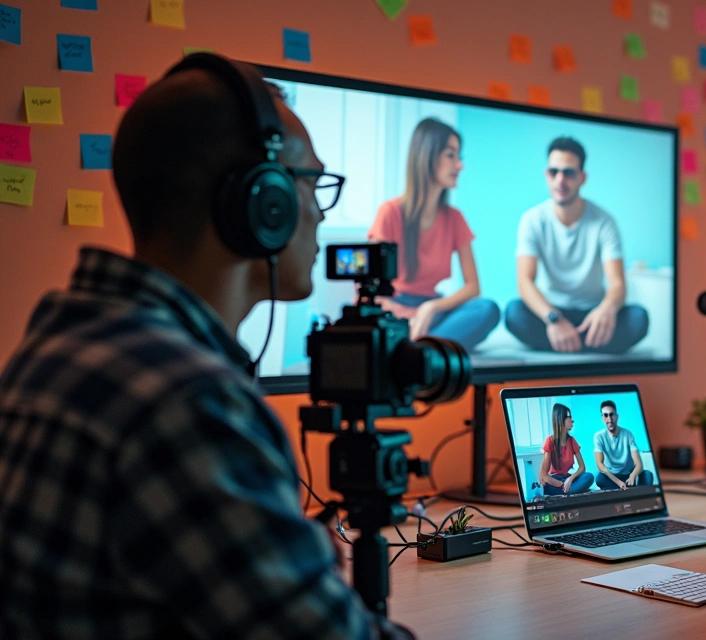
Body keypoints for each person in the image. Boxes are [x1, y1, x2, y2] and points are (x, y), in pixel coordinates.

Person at [0, 54, 411, 638]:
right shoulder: (188, 402)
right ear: (261, 201)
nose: (320, 211)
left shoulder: (60, 345)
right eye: (311, 182)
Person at [504, 137, 649, 354]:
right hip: (552, 312)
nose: (560, 180)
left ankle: (573, 341)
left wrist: (606, 309)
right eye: (554, 172)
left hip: (593, 314)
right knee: (513, 313)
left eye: (569, 173)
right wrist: (553, 319)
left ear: (582, 177)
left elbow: (617, 282)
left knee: (638, 319)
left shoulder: (604, 222)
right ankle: (576, 341)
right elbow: (525, 281)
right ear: (546, 175)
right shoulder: (532, 219)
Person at [368, 117, 500, 351]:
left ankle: (415, 349)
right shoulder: (390, 213)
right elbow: (370, 290)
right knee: (376, 322)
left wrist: (430, 309)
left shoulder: (454, 218)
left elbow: (473, 287)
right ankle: (429, 347)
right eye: (451, 155)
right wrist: (407, 315)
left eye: (459, 157)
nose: (459, 165)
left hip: (433, 309)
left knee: (486, 309)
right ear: (426, 156)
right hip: (395, 308)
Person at [592, 399, 654, 490]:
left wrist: (632, 476)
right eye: (605, 415)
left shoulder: (628, 434)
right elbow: (600, 465)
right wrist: (618, 482)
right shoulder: (598, 436)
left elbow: (639, 464)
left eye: (612, 414)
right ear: (602, 418)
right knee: (599, 479)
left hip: (628, 474)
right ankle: (629, 489)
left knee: (648, 475)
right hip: (612, 477)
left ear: (617, 416)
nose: (609, 419)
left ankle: (626, 488)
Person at [538, 403, 595, 495]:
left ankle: (569, 491)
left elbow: (582, 467)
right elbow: (544, 475)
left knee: (589, 477)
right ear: (560, 419)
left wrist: (570, 479)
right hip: (555, 480)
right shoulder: (550, 441)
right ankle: (572, 490)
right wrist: (561, 484)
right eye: (569, 417)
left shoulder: (572, 441)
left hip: (568, 478)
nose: (572, 420)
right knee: (544, 486)